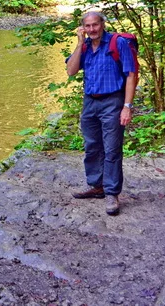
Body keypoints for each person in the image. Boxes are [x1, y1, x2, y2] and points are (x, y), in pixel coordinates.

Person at [66, 11, 137, 216]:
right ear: (82, 28)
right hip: (90, 102)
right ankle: (97, 186)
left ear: (102, 24)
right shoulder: (85, 46)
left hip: (113, 101)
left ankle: (112, 193)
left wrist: (127, 106)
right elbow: (71, 71)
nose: (91, 30)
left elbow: (131, 75)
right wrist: (79, 44)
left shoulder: (118, 43)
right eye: (87, 26)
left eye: (95, 25)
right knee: (92, 146)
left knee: (112, 148)